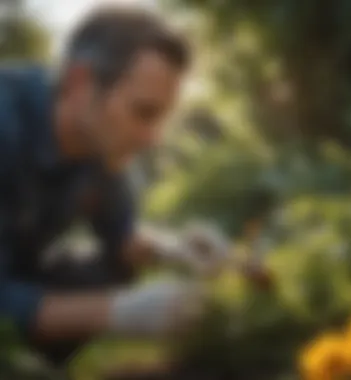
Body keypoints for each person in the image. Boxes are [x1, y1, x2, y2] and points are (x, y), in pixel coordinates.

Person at [0, 6, 229, 367]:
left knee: (103, 273)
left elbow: (121, 237)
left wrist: (174, 249)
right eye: (143, 113)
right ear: (80, 83)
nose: (153, 139)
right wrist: (115, 313)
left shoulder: (97, 144)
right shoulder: (7, 124)